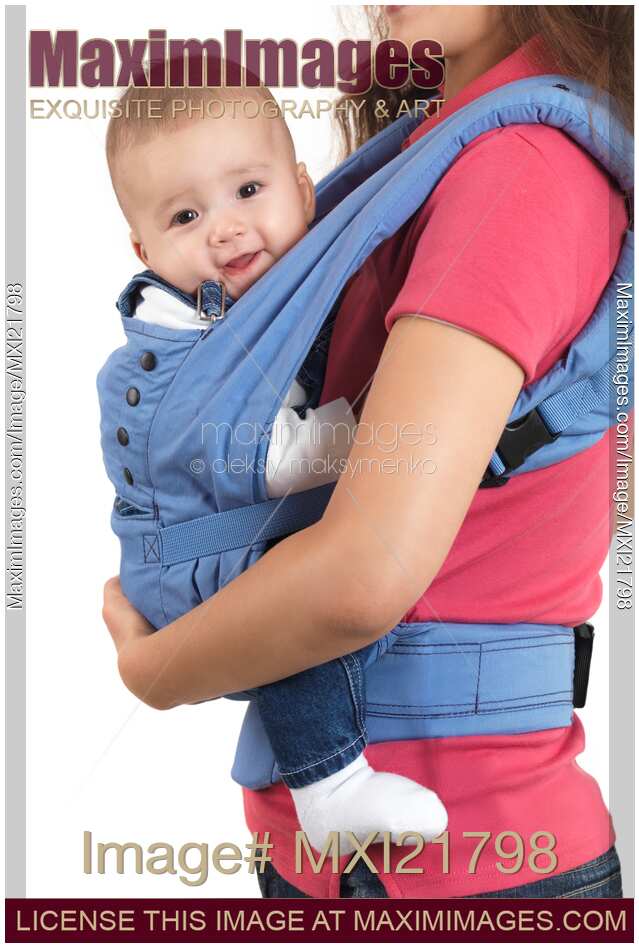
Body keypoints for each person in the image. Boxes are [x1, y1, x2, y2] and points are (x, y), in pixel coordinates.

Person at [102, 5, 631, 898]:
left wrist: (157, 670)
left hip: (459, 853)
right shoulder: (435, 148)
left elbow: (363, 574)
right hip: (350, 854)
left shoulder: (518, 166)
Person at [100, 80, 447, 855]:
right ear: (144, 252)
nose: (224, 229)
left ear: (302, 190)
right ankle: (330, 788)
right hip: (194, 563)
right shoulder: (182, 336)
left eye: (248, 191)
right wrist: (391, 421)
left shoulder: (275, 295)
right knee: (299, 590)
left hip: (218, 540)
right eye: (184, 218)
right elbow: (262, 460)